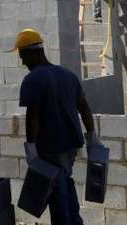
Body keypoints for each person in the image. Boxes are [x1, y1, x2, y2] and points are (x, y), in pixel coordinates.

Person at [14, 28, 97, 225]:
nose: (23, 62)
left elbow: (32, 116)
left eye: (22, 55)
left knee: (57, 195)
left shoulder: (33, 79)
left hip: (51, 148)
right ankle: (76, 221)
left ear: (33, 53)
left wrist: (31, 149)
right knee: (66, 183)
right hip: (71, 146)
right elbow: (84, 107)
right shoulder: (68, 75)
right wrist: (92, 136)